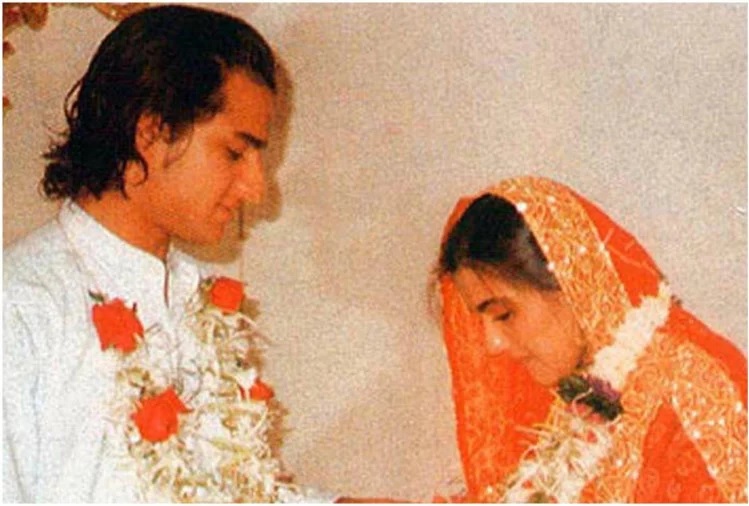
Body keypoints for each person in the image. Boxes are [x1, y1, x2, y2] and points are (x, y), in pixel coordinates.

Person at [3, 5, 342, 503]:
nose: (255, 187)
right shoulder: (20, 307)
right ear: (152, 134)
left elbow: (241, 493)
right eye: (235, 152)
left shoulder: (195, 298)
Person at [434, 176, 747, 502]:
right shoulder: (572, 400)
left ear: (570, 284)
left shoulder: (696, 390)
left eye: (503, 314)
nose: (492, 344)